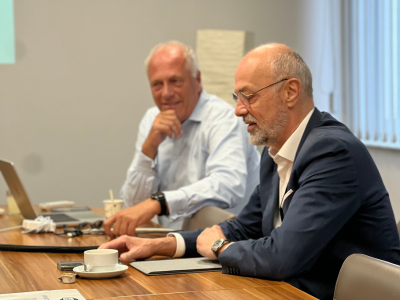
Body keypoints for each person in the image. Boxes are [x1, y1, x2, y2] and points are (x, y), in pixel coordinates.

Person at [100, 43, 400, 300]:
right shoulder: (275, 152)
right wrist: (160, 245)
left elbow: (283, 256)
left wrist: (218, 247)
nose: (238, 110)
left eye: (249, 97)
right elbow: (243, 228)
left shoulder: (332, 152)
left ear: (290, 92)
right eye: (237, 98)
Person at [103, 41, 260, 236]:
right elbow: (133, 206)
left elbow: (228, 185)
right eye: (157, 84)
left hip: (226, 246)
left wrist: (160, 203)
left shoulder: (224, 118)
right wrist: (149, 148)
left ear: (198, 79)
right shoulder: (152, 119)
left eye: (175, 81)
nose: (167, 93)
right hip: (168, 241)